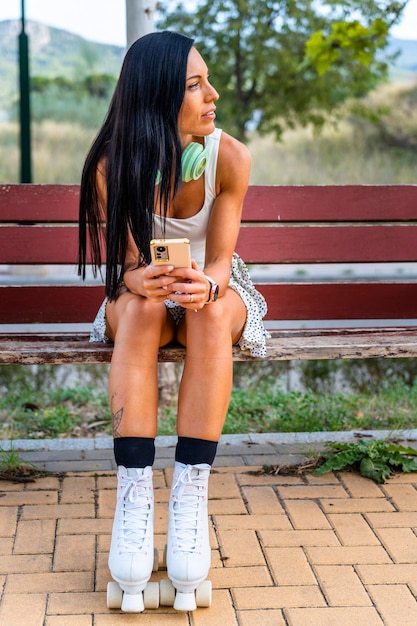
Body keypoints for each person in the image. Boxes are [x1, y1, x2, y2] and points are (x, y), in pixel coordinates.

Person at [78, 30, 268, 613]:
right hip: (142, 297)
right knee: (137, 313)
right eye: (194, 85)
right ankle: (134, 501)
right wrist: (142, 280)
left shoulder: (229, 157)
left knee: (210, 316)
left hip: (211, 289)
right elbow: (128, 267)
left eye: (207, 80)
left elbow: (220, 261)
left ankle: (188, 501)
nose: (212, 94)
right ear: (159, 97)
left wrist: (206, 285)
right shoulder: (113, 165)